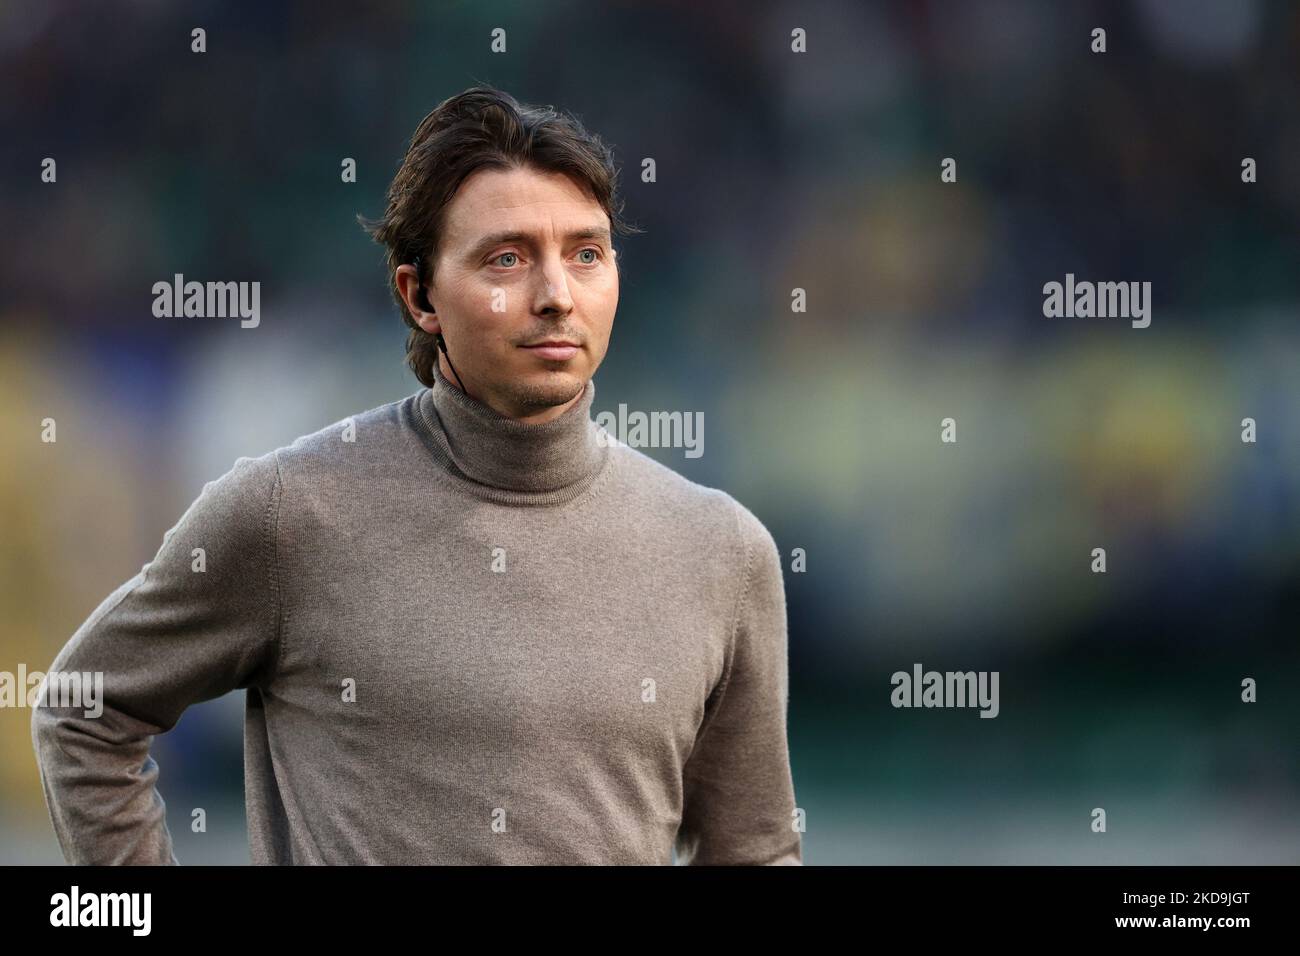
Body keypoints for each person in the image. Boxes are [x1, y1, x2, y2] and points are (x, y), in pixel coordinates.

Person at [32, 85, 802, 865]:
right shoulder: (293, 512)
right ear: (420, 294)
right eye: (507, 257)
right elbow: (84, 710)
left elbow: (755, 848)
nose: (555, 295)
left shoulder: (721, 549)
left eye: (586, 254)